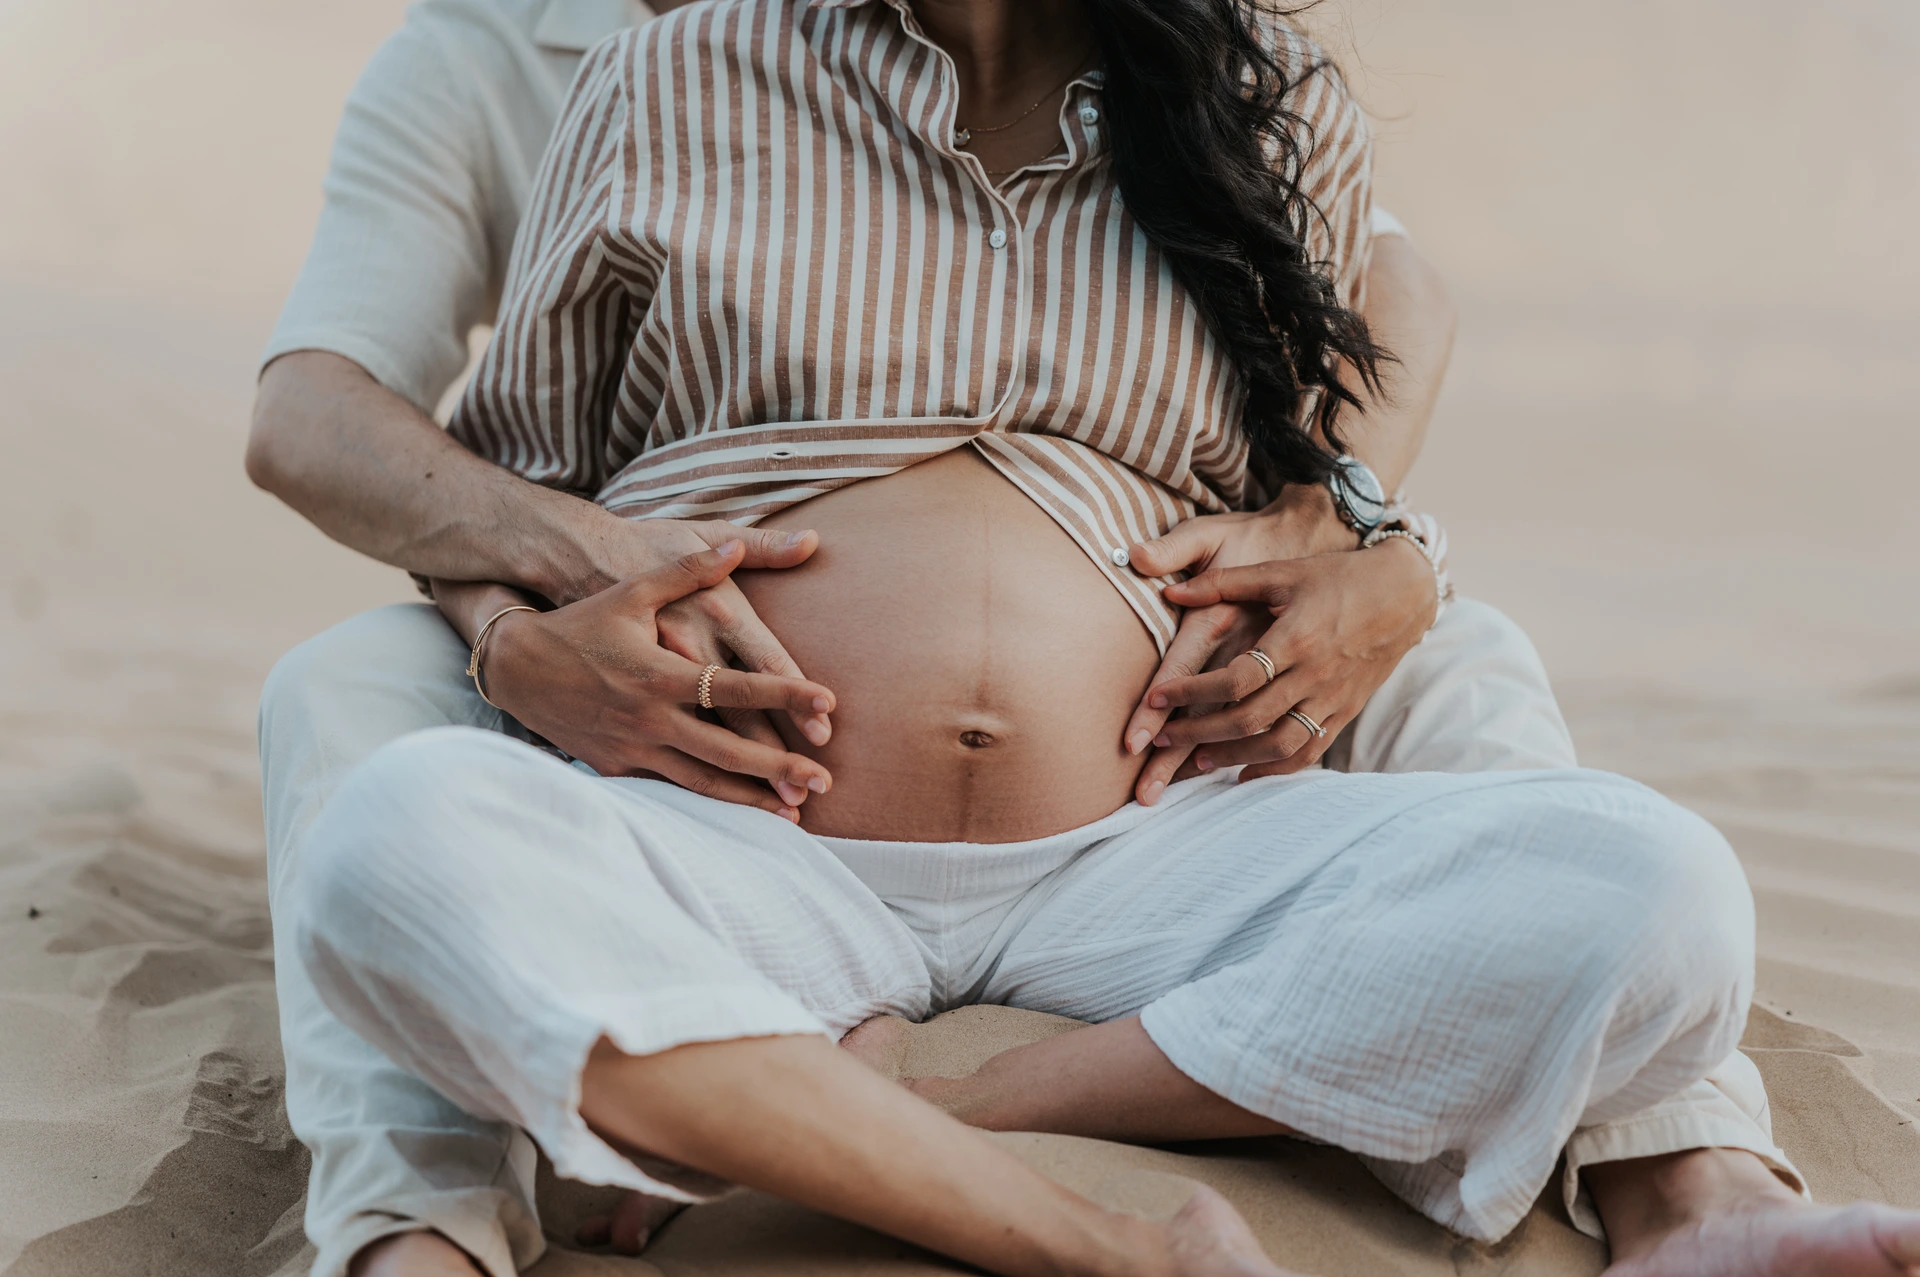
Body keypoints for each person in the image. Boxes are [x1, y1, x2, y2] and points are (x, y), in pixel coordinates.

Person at [246, 2, 1920, 1275]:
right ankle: (1098, 1249)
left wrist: (1382, 546)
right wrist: (505, 631)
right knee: (392, 833)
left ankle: (933, 1109)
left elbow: (1347, 429)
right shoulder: (667, 72)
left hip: (1148, 848)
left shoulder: (1259, 105)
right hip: (738, 827)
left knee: (1658, 885)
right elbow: (504, 466)